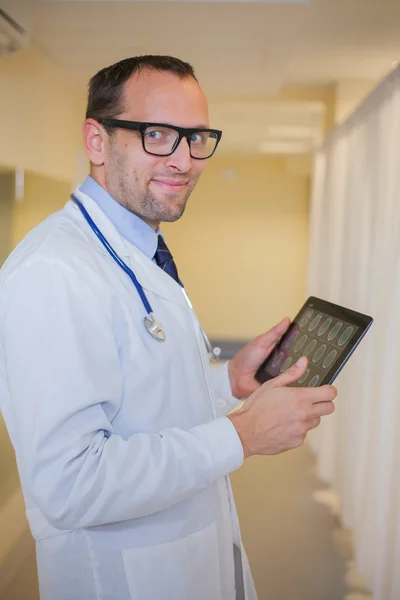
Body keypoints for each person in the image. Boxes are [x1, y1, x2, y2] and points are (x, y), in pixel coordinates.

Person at [0, 55, 336, 600]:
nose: (183, 159)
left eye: (196, 137)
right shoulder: (54, 271)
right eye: (156, 134)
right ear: (96, 141)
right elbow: (70, 483)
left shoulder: (140, 250)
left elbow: (140, 402)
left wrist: (229, 383)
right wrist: (242, 433)